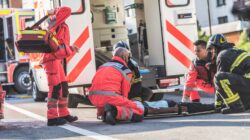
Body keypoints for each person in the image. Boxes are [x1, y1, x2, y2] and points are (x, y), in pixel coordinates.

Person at [41, 7, 79, 126]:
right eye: (65, 14)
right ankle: (52, 117)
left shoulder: (59, 25)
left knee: (63, 87)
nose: (68, 15)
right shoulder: (54, 25)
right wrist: (71, 49)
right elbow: (56, 50)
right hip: (51, 60)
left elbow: (60, 47)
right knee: (55, 88)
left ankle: (63, 113)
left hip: (56, 60)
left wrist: (69, 49)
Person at [88, 47, 145, 125]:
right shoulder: (125, 70)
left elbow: (95, 84)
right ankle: (114, 112)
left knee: (109, 101)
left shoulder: (102, 66)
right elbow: (124, 94)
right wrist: (130, 104)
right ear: (124, 57)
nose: (128, 60)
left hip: (93, 98)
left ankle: (103, 113)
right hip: (110, 98)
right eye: (128, 57)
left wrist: (99, 111)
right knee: (139, 111)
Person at [206, 33, 250, 114]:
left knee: (218, 77)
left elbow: (220, 83)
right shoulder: (236, 51)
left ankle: (236, 107)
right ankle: (243, 104)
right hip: (247, 83)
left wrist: (217, 105)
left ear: (216, 47)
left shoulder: (222, 55)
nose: (211, 52)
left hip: (247, 82)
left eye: (212, 49)